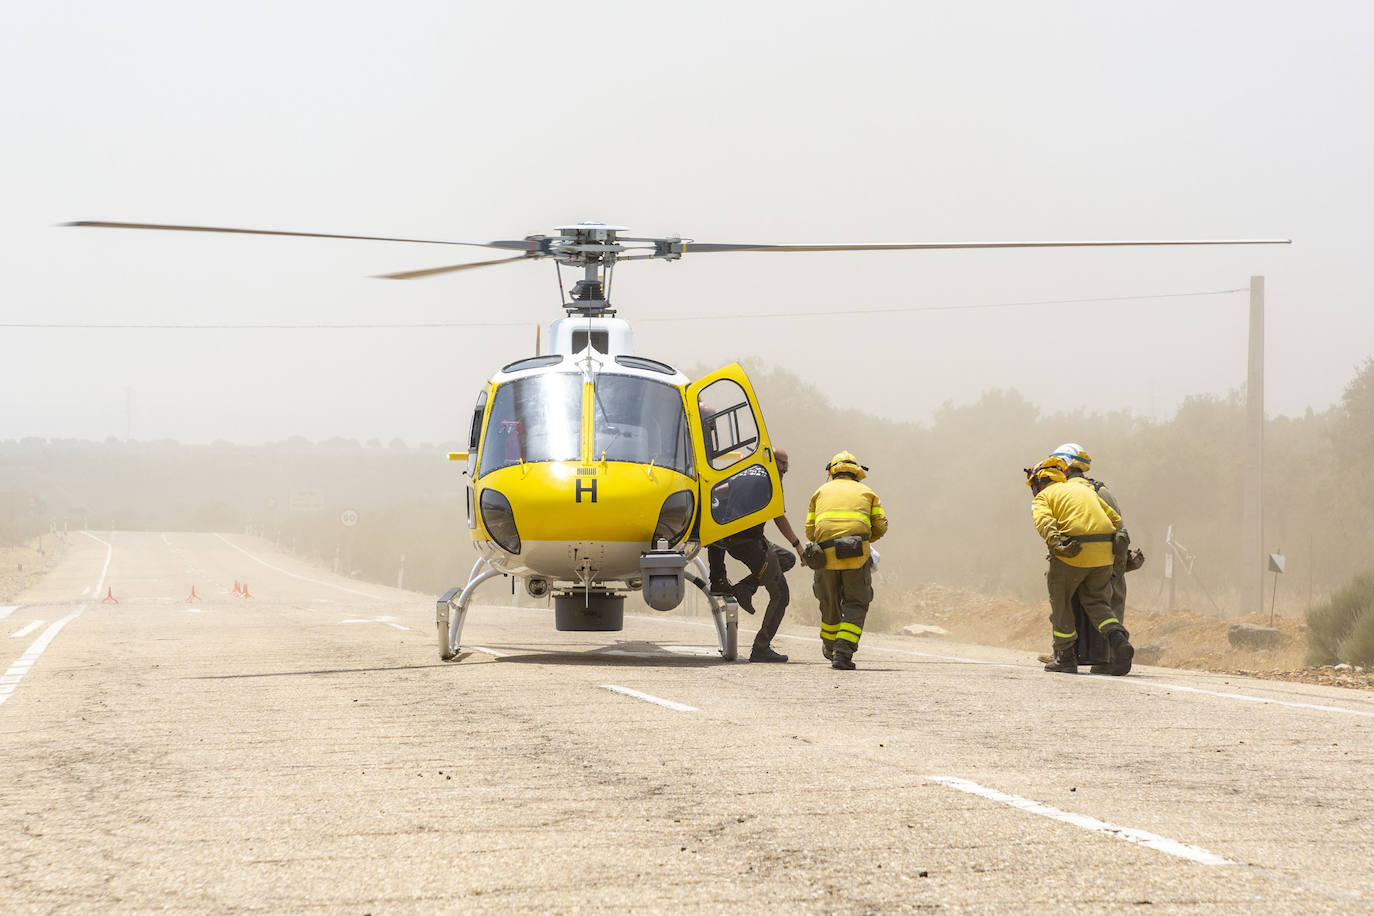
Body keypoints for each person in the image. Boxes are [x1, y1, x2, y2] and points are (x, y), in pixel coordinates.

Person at [1026, 456, 1134, 675]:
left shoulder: (1043, 497)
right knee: (1096, 602)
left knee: (1062, 603)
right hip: (1104, 555)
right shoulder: (1085, 490)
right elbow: (1114, 520)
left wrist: (1058, 546)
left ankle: (1065, 657)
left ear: (1040, 481)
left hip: (1073, 554)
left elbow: (1045, 524)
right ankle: (1118, 640)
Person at [1050, 443, 1146, 674]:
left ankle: (1066, 655)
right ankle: (1112, 656)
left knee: (1067, 601)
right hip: (1114, 560)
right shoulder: (1103, 490)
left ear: (1064, 466)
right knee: (1108, 606)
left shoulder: (1074, 491)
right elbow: (1119, 529)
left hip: (1088, 561)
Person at [705, 449, 798, 663]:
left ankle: (745, 588)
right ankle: (761, 648)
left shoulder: (744, 472)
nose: (784, 468)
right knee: (781, 594)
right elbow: (778, 516)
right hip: (749, 544)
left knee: (786, 559)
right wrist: (797, 544)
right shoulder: (771, 478)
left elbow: (717, 493)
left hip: (733, 541)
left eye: (786, 465)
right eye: (782, 463)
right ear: (771, 461)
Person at [805, 450, 887, 670]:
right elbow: (880, 526)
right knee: (856, 602)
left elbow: (810, 532)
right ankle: (842, 653)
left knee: (829, 602)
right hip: (856, 557)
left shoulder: (819, 492)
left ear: (832, 471)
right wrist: (864, 540)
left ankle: (831, 646)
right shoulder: (867, 492)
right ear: (856, 472)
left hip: (825, 558)